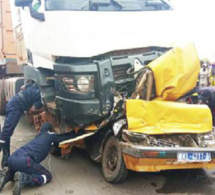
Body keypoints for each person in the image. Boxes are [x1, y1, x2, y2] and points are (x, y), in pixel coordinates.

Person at [0, 123, 81, 195]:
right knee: (47, 176)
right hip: (24, 161)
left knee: (17, 168)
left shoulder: (38, 136)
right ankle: (24, 178)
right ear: (51, 130)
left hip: (12, 158)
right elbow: (68, 137)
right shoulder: (52, 136)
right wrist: (82, 131)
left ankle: (7, 175)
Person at [0, 80, 44, 168]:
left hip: (12, 101)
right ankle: (5, 159)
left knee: (6, 132)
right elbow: (32, 110)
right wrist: (42, 109)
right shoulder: (40, 98)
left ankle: (6, 159)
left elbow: (22, 87)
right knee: (6, 133)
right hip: (17, 106)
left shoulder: (35, 85)